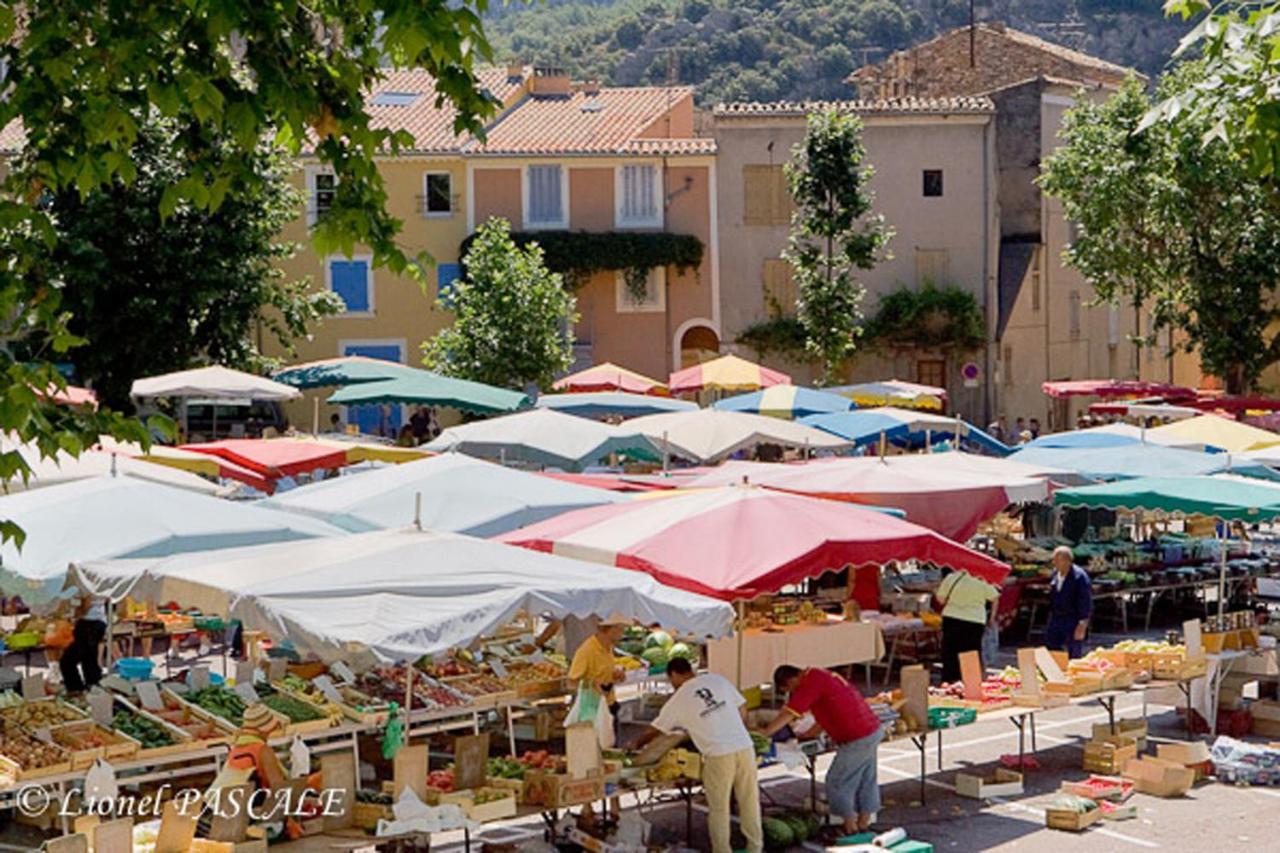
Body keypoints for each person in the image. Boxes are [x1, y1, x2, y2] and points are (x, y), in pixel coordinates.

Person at [631, 658, 762, 853]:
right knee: (750, 801)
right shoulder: (717, 680)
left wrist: (636, 744)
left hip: (718, 754)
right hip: (744, 746)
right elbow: (742, 709)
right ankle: (755, 847)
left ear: (674, 674)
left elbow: (655, 729)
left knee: (719, 809)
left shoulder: (679, 697)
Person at [760, 666, 883, 836]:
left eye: (790, 689)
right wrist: (812, 733)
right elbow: (827, 708)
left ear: (791, 680)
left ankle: (849, 826)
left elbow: (790, 713)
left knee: (837, 780)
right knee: (866, 777)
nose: (793, 692)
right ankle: (863, 822)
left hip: (857, 736)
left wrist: (765, 733)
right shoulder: (821, 676)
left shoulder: (810, 683)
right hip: (870, 729)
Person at [934, 569, 1000, 683]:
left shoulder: (951, 578)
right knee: (971, 652)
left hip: (952, 618)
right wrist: (992, 618)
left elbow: (940, 600)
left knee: (950, 652)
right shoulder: (981, 580)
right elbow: (995, 597)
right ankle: (970, 684)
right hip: (975, 620)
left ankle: (949, 682)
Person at [568, 618, 627, 726]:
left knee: (610, 742)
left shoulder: (608, 647)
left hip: (609, 705)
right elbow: (571, 683)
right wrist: (592, 683)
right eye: (621, 628)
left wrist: (616, 674)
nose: (623, 632)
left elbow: (603, 673)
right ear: (611, 629)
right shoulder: (586, 650)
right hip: (592, 711)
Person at [1046, 545, 1092, 658]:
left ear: (1067, 561)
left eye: (1057, 560)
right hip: (1057, 618)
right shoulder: (1055, 574)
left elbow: (1085, 601)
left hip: (1073, 619)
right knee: (1052, 649)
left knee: (1074, 652)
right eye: (1054, 560)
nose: (1054, 563)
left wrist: (1082, 624)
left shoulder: (1079, 577)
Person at [60, 594, 108, 693]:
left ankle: (77, 689)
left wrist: (76, 614)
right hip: (97, 621)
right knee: (88, 659)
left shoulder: (86, 583)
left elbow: (87, 602)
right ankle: (90, 687)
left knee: (69, 660)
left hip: (89, 622)